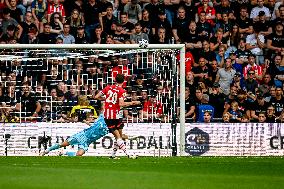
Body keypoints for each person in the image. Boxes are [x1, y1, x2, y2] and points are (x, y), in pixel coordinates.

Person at [94, 74, 140, 159]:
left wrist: (107, 99)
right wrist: (133, 103)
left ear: (115, 80)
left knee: (118, 136)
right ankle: (129, 154)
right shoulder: (122, 91)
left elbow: (96, 96)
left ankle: (113, 155)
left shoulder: (107, 88)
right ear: (124, 81)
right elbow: (121, 104)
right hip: (117, 115)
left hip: (108, 115)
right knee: (119, 136)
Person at [40, 114, 108, 156]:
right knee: (63, 144)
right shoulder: (102, 117)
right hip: (82, 135)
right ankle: (46, 151)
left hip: (87, 141)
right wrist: (86, 121)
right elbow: (93, 125)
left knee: (79, 154)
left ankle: (64, 153)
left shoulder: (110, 128)